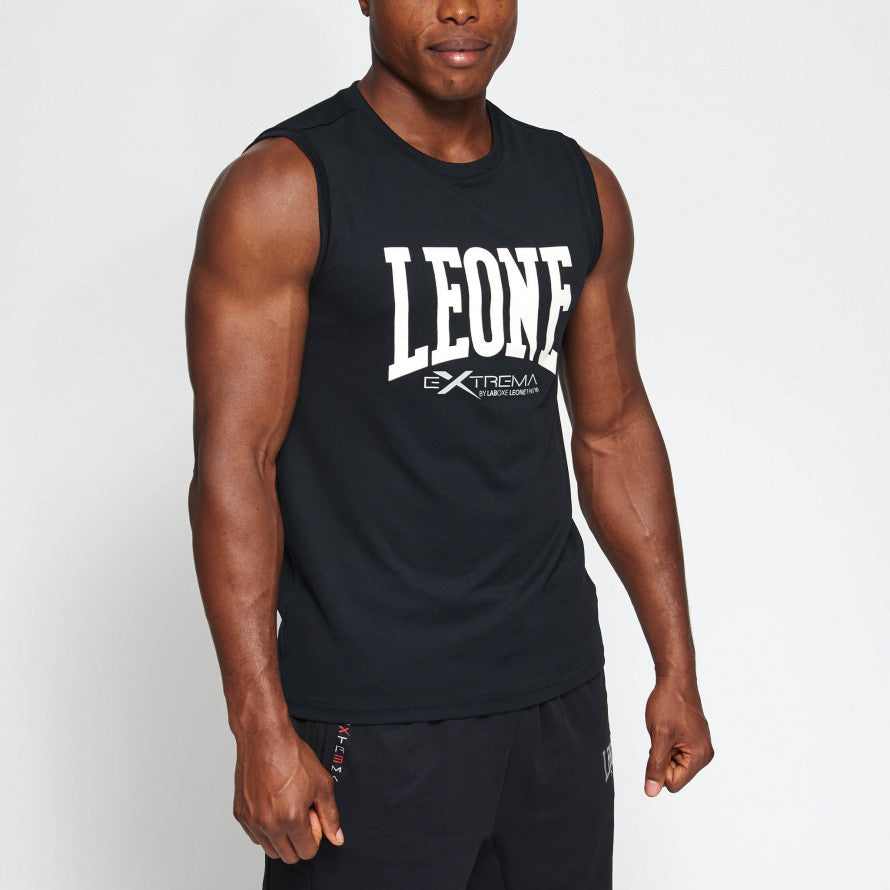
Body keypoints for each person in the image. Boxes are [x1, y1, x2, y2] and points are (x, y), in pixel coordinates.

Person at [185, 1, 714, 887]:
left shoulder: (577, 186)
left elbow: (614, 432)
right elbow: (235, 464)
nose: (461, 7)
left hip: (557, 701)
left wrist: (677, 665)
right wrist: (258, 724)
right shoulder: (284, 188)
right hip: (373, 715)